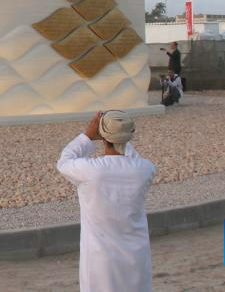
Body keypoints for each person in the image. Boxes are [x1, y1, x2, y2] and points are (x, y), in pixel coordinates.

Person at [57, 110, 157, 291]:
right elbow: (131, 156)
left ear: (103, 138)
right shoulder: (145, 169)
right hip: (136, 256)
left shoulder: (91, 171)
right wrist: (120, 132)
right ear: (130, 136)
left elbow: (64, 161)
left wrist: (88, 136)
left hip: (100, 260)